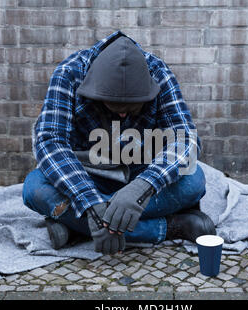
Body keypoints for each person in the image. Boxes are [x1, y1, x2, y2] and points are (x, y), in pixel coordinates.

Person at [22, 31, 216, 255]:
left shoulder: (159, 73)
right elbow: (50, 142)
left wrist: (143, 187)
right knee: (34, 189)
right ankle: (171, 227)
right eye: (114, 105)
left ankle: (76, 225)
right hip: (87, 176)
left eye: (132, 106)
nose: (123, 115)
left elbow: (186, 140)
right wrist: (90, 202)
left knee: (195, 181)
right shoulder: (68, 73)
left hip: (142, 171)